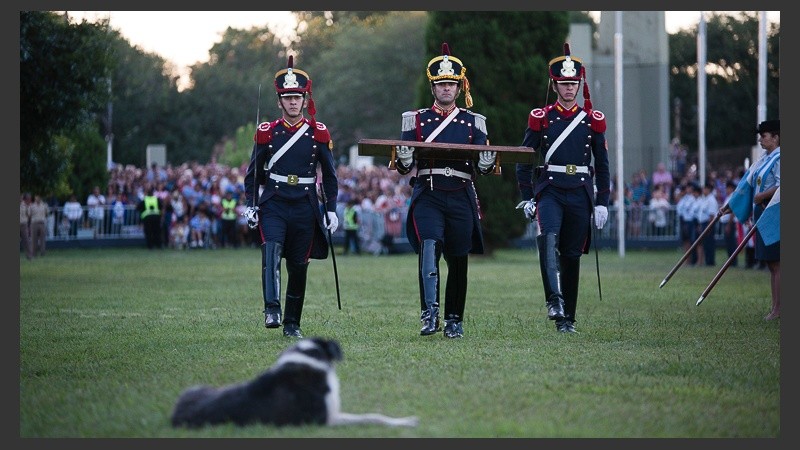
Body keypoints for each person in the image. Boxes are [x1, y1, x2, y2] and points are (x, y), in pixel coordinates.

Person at [394, 42, 496, 338]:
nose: (447, 89)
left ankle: (454, 319)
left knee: (458, 257)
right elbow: (404, 167)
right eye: (441, 84)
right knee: (429, 245)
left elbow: (484, 169)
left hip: (461, 191)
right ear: (433, 88)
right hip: (428, 190)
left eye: (451, 84)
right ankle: (429, 313)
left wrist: (488, 162)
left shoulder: (474, 121)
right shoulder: (415, 120)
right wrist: (404, 158)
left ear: (459, 86)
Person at [515, 43, 610, 333]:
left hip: (580, 190)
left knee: (570, 255)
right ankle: (553, 301)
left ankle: (568, 318)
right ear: (555, 85)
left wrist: (603, 201)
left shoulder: (591, 121)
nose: (569, 89)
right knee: (548, 238)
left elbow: (603, 165)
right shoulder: (542, 118)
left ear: (580, 84)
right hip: (551, 189)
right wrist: (528, 197)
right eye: (564, 84)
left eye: (573, 83)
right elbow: (523, 160)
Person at [243, 55, 338, 338]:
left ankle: (292, 324)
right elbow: (252, 173)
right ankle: (272, 308)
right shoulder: (266, 133)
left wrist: (330, 209)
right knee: (270, 250)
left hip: (306, 206)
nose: (293, 102)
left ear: (305, 99)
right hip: (274, 202)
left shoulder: (318, 133)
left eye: (297, 97)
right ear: (279, 102)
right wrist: (251, 205)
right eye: (287, 97)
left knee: (299, 266)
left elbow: (330, 174)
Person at [721, 119, 780, 320]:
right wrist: (731, 206)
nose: (760, 140)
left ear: (776, 137)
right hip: (762, 214)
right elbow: (748, 186)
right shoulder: (764, 159)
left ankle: (778, 309)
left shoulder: (780, 158)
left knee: (777, 264)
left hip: (774, 215)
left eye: (764, 136)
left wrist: (763, 196)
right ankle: (776, 306)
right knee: (772, 264)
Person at [19, 192, 32, 260]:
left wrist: (28, 225)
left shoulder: (26, 205)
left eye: (20, 197)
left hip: (23, 224)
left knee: (26, 240)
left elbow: (29, 216)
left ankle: (29, 255)